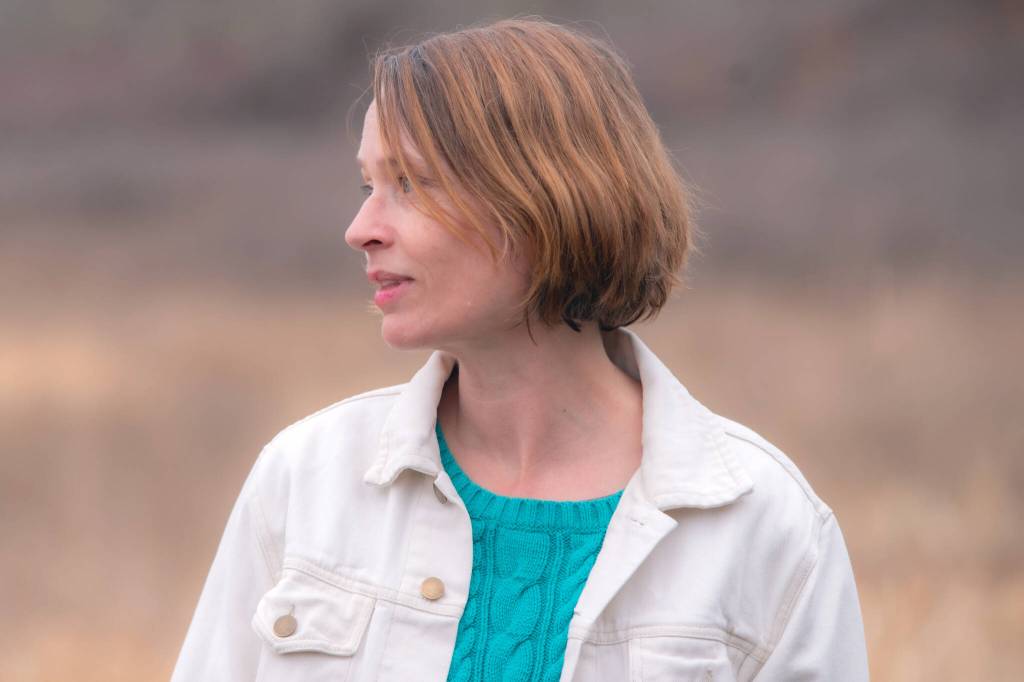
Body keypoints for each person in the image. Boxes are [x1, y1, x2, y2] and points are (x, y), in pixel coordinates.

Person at [171, 17, 869, 681]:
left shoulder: (764, 527)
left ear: (547, 197)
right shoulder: (307, 480)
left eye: (410, 183)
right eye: (368, 184)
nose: (361, 228)